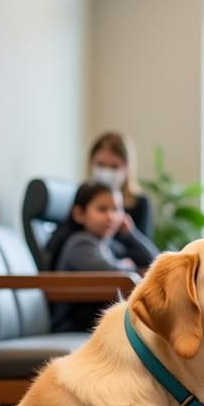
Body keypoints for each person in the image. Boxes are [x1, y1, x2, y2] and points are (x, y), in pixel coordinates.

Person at [46, 181, 158, 333]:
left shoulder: (106, 244)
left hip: (92, 320)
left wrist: (130, 233)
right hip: (72, 324)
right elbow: (112, 273)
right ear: (79, 214)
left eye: (117, 209)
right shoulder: (80, 243)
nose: (111, 216)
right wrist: (127, 265)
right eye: (102, 209)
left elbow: (155, 262)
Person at [88, 130, 154, 238]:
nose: (106, 172)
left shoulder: (139, 203)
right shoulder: (83, 197)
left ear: (127, 167)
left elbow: (149, 252)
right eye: (100, 164)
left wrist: (130, 233)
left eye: (114, 167)